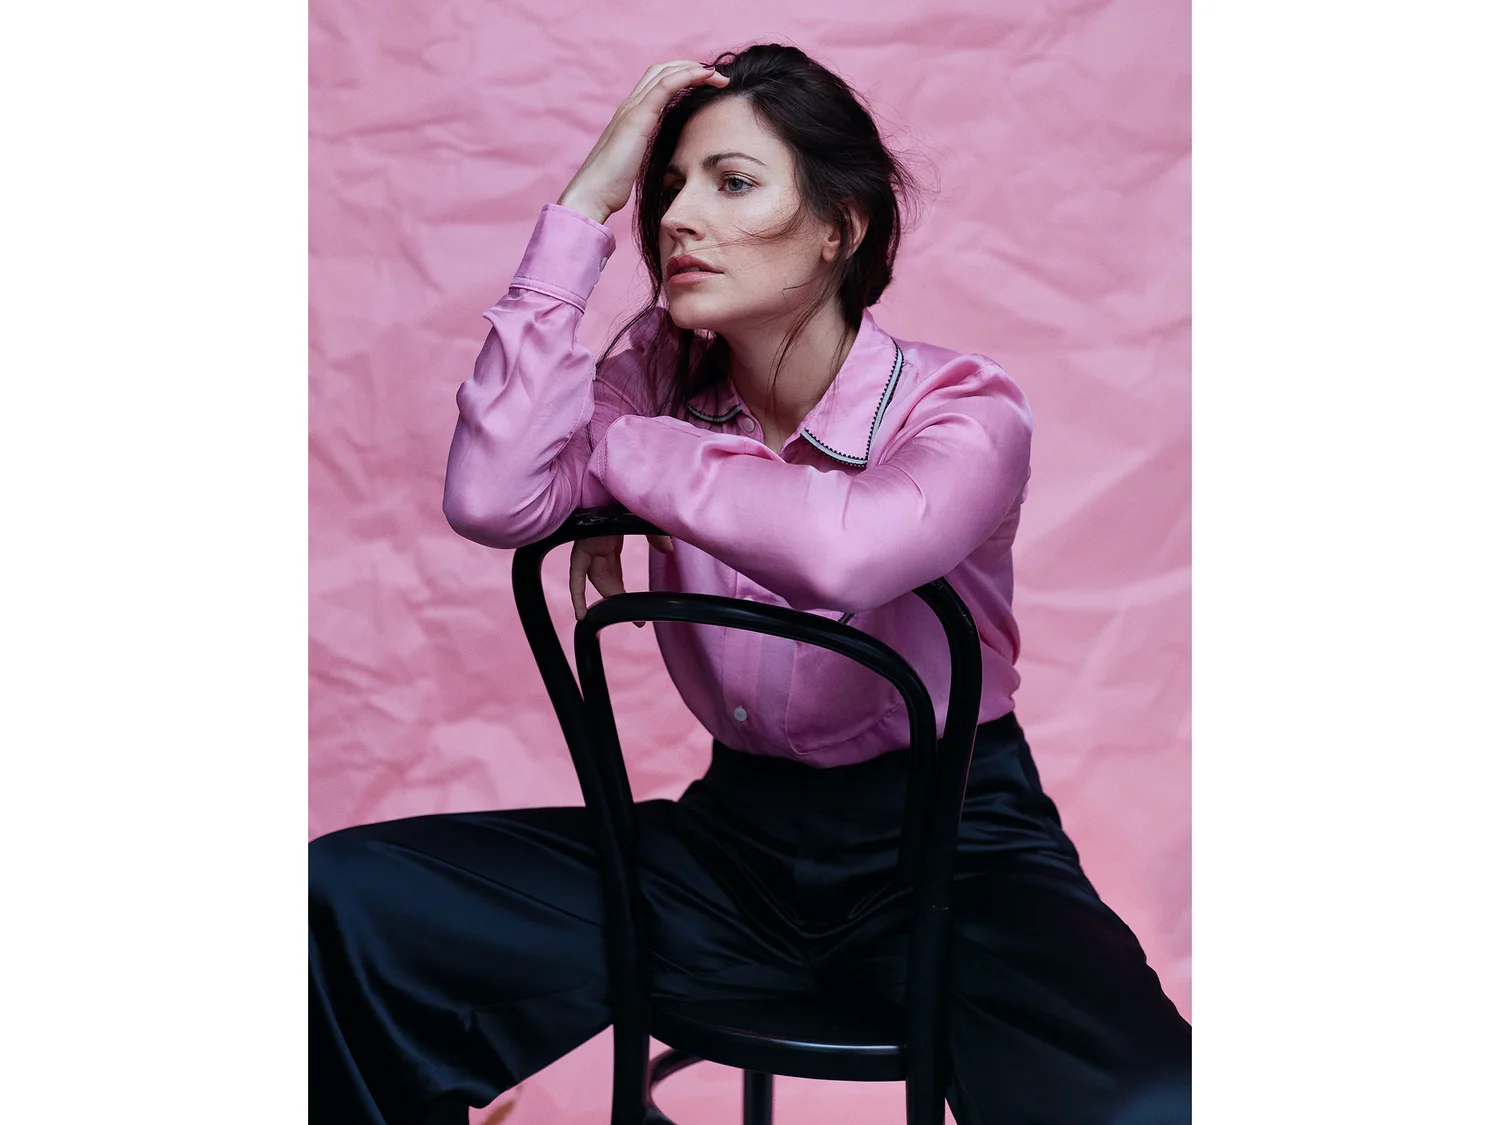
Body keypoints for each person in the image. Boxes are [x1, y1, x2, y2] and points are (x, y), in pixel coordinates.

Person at [310, 43, 1191, 1125]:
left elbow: (844, 555)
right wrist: (585, 205)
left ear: (839, 227)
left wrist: (626, 454)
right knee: (345, 899)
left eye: (732, 183)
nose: (679, 218)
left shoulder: (963, 408)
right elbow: (492, 497)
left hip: (955, 848)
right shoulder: (654, 378)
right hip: (733, 847)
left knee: (1153, 1100)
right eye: (670, 187)